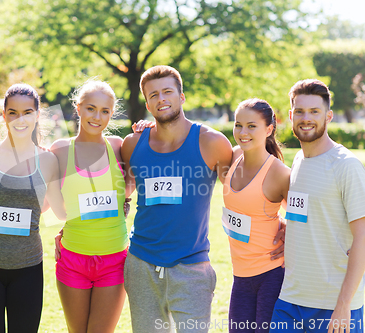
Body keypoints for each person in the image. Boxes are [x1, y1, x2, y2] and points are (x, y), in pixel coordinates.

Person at [121, 65, 232, 333]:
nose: (161, 99)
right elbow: (123, 193)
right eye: (154, 95)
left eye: (168, 91)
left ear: (182, 96)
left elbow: (240, 191)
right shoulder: (132, 144)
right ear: (147, 103)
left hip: (192, 267)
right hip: (141, 265)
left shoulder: (212, 143)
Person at [0, 83, 65, 333]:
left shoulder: (48, 160)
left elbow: (57, 210)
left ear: (37, 115)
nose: (20, 119)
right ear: (4, 114)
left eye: (27, 112)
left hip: (28, 269)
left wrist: (120, 201)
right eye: (13, 112)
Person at [269, 79, 365, 333]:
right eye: (299, 111)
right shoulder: (299, 160)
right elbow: (307, 211)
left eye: (314, 112)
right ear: (290, 115)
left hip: (333, 305)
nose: (306, 118)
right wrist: (288, 227)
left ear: (328, 116)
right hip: (290, 299)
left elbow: (362, 239)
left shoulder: (346, 166)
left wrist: (343, 305)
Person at [50, 79, 129, 333]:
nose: (97, 117)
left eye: (105, 111)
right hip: (73, 259)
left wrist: (145, 127)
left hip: (114, 260)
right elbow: (48, 203)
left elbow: (154, 145)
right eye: (91, 109)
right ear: (78, 108)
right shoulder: (60, 151)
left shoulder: (119, 148)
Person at [222, 98, 289, 333]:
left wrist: (289, 229)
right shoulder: (232, 157)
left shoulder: (279, 173)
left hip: (271, 275)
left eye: (252, 126)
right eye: (238, 125)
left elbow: (303, 217)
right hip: (240, 276)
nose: (243, 132)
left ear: (269, 129)